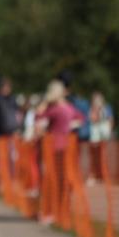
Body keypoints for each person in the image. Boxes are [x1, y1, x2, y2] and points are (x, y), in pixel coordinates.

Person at [35, 80, 85, 225]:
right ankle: (62, 211)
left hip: (53, 149)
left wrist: (43, 106)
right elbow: (81, 118)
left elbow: (38, 120)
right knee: (63, 180)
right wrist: (71, 126)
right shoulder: (69, 108)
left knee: (52, 181)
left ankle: (51, 212)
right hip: (67, 147)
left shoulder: (54, 109)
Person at [87, 91, 114, 184]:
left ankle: (104, 176)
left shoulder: (107, 108)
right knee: (94, 157)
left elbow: (110, 120)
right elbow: (93, 119)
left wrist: (109, 131)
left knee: (103, 156)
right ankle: (93, 176)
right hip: (94, 138)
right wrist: (97, 111)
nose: (97, 101)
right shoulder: (91, 109)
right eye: (95, 100)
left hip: (104, 137)